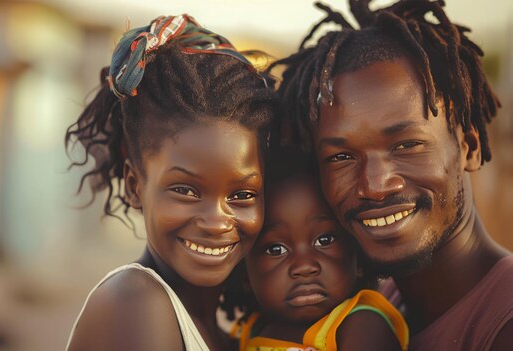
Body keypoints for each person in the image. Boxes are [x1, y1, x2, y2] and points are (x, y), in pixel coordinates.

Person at [271, 0, 513, 349]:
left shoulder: (502, 324)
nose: (375, 185)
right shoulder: (370, 310)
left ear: (469, 148)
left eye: (406, 145)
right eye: (341, 156)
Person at [64, 14, 275, 351]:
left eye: (242, 194)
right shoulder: (135, 303)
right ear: (135, 186)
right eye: (186, 190)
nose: (217, 221)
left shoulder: (224, 321)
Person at [221, 147, 408, 351]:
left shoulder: (362, 324)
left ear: (357, 254)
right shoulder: (250, 331)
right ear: (245, 272)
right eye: (276, 249)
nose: (304, 266)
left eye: (324, 240)